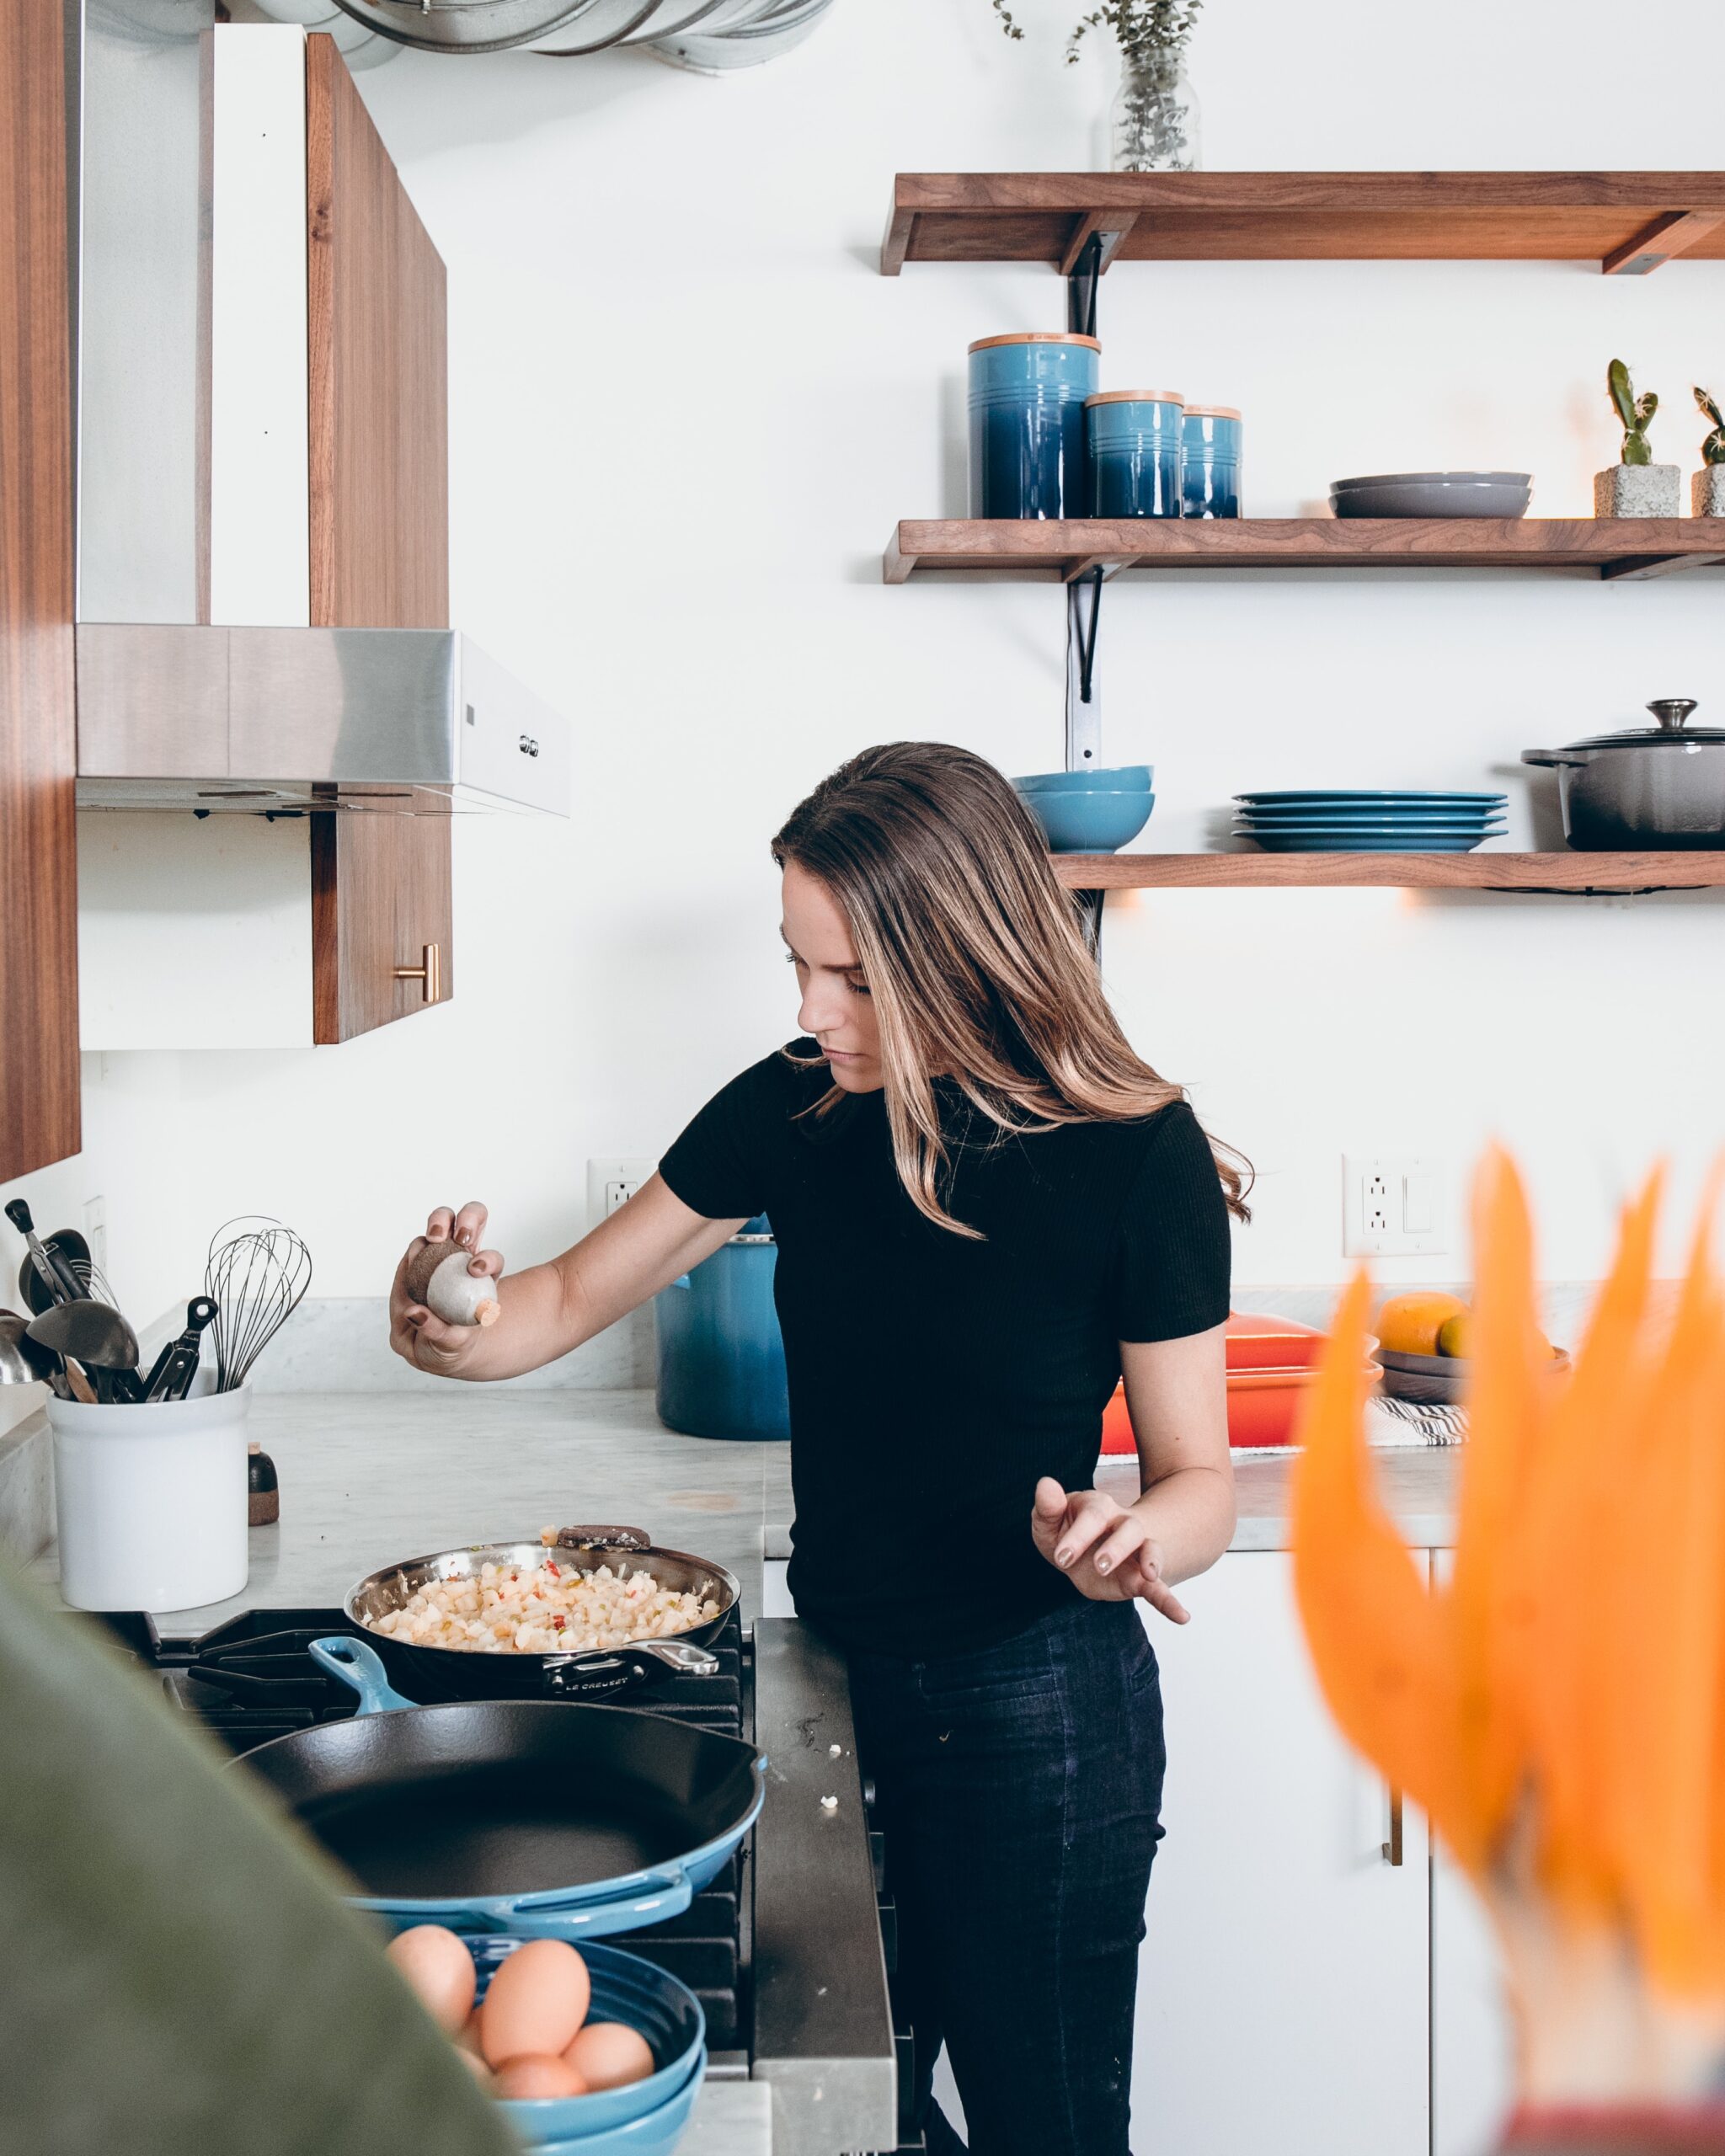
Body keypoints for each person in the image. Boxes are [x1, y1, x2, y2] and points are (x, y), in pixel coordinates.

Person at [390, 741, 1245, 2156]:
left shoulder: (1135, 1154)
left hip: (1040, 1711)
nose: (811, 1009)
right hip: (832, 1691)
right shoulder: (795, 1106)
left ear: (967, 952)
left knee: (1053, 2126)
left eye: (851, 978)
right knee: (855, 2119)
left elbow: (1196, 1481)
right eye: (797, 964)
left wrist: (1135, 1539)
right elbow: (548, 1303)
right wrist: (449, 1314)